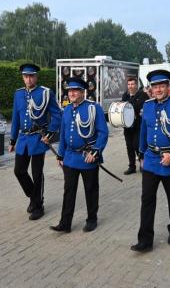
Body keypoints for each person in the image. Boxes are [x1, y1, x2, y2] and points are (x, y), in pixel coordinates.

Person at [131, 70, 170, 253]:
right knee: (147, 199)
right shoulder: (148, 105)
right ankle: (145, 240)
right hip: (151, 160)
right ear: (151, 89)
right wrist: (142, 156)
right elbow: (143, 132)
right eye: (155, 86)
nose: (158, 89)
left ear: (168, 87)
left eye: (161, 86)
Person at [51, 77, 109, 233]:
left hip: (87, 157)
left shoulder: (93, 108)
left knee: (90, 190)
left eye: (75, 90)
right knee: (69, 191)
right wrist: (60, 155)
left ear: (83, 92)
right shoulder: (67, 109)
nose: (72, 93)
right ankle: (65, 223)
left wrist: (95, 151)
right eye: (70, 90)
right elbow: (63, 134)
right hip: (70, 158)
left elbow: (103, 133)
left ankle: (92, 219)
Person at [9, 63, 62, 220]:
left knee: (37, 173)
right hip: (23, 138)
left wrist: (50, 133)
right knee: (19, 170)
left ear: (36, 77)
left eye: (31, 76)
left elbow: (57, 114)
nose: (28, 79)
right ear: (23, 77)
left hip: (39, 138)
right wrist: (12, 140)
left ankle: (38, 206)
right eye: (26, 76)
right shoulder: (18, 94)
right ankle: (35, 197)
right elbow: (15, 117)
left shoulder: (45, 93)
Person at [121, 77, 149, 175]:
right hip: (128, 126)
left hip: (138, 126)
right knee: (129, 146)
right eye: (129, 84)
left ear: (136, 85)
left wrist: (130, 104)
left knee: (138, 145)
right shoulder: (125, 95)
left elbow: (140, 108)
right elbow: (122, 108)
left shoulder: (143, 95)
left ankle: (143, 164)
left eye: (132, 84)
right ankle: (131, 166)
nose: (130, 86)